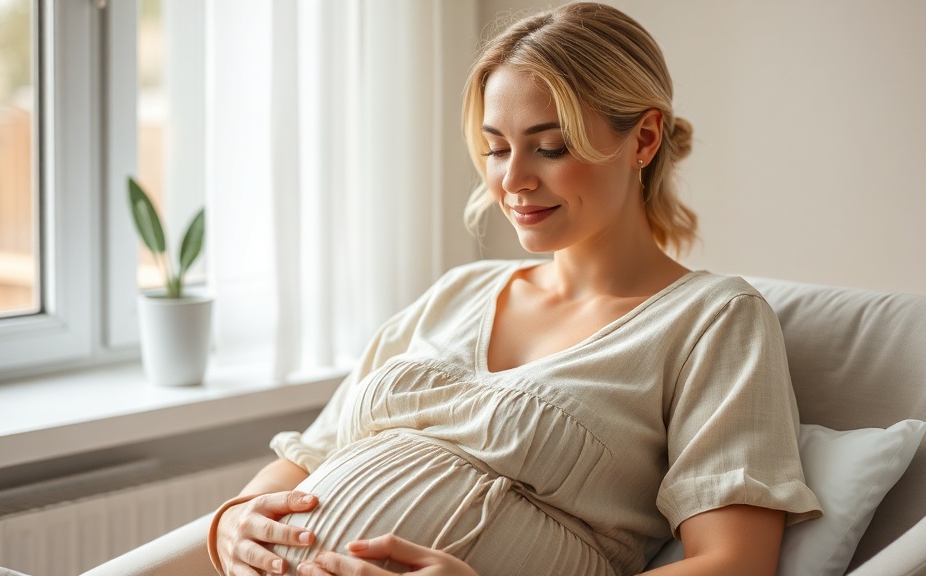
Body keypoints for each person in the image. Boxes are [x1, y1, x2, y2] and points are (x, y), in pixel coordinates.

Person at [208, 3, 822, 576]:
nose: (514, 181)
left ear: (643, 138)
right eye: (497, 148)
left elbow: (735, 563)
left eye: (550, 147)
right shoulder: (458, 291)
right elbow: (303, 462)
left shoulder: (713, 321)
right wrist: (231, 521)